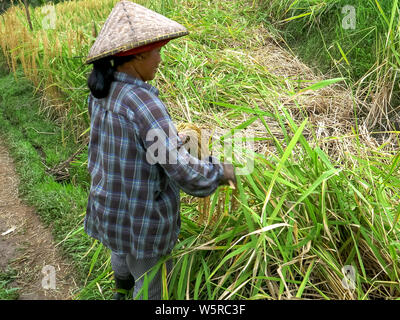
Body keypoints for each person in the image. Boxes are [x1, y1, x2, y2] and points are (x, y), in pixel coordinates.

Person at [84, 0, 236, 300]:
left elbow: (126, 142)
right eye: (157, 51)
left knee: (121, 251)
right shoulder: (144, 103)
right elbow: (182, 169)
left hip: (109, 203)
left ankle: (119, 292)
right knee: (153, 287)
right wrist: (222, 171)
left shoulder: (103, 89)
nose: (160, 59)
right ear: (136, 55)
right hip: (140, 215)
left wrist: (171, 138)